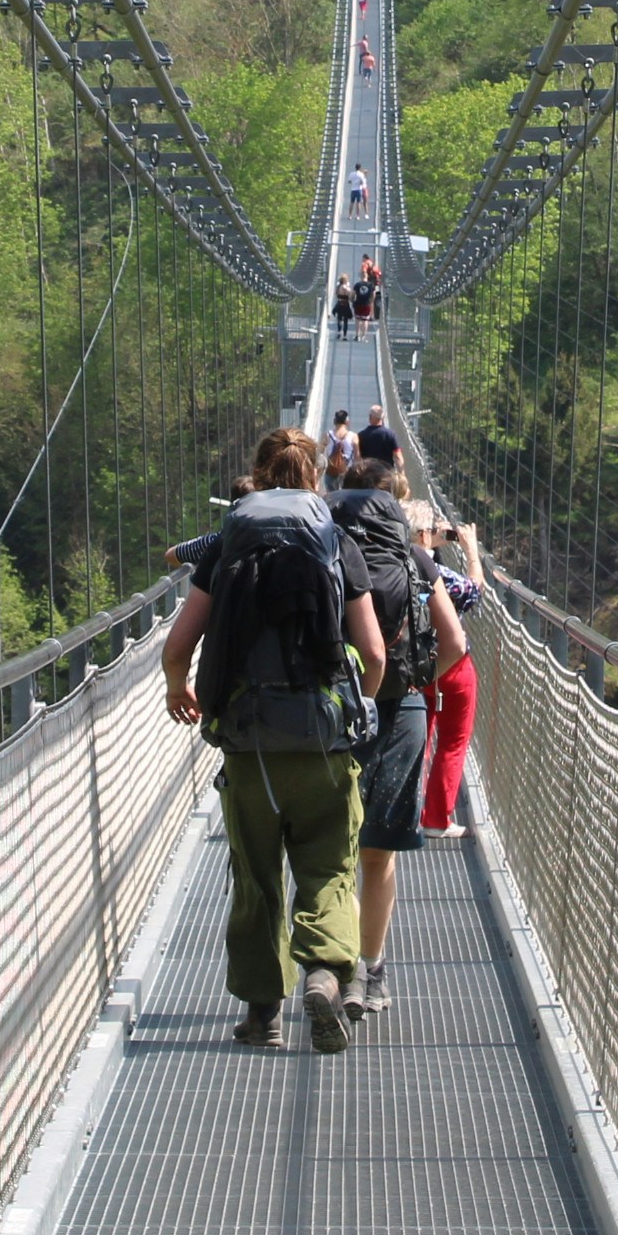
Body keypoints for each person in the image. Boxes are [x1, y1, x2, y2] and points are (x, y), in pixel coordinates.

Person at [158, 430, 384, 1052]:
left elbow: (178, 646)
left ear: (255, 476)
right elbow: (372, 653)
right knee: (330, 867)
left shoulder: (229, 540)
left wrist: (180, 688)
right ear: (316, 477)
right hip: (322, 745)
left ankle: (263, 1016)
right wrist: (354, 707)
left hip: (247, 741)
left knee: (255, 877)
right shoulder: (336, 541)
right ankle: (324, 975)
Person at [327, 454, 464, 1019]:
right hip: (401, 711)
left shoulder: (325, 551)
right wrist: (413, 682)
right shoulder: (413, 557)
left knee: (331, 848)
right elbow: (455, 643)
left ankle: (332, 968)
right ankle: (372, 971)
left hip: (333, 711)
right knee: (378, 854)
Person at [415, 497, 489, 842]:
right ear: (422, 536)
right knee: (453, 742)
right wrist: (472, 552)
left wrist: (435, 540)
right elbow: (472, 590)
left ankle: (402, 806)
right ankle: (436, 818)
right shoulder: (436, 573)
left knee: (418, 736)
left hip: (412, 666)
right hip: (451, 666)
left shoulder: (393, 561)